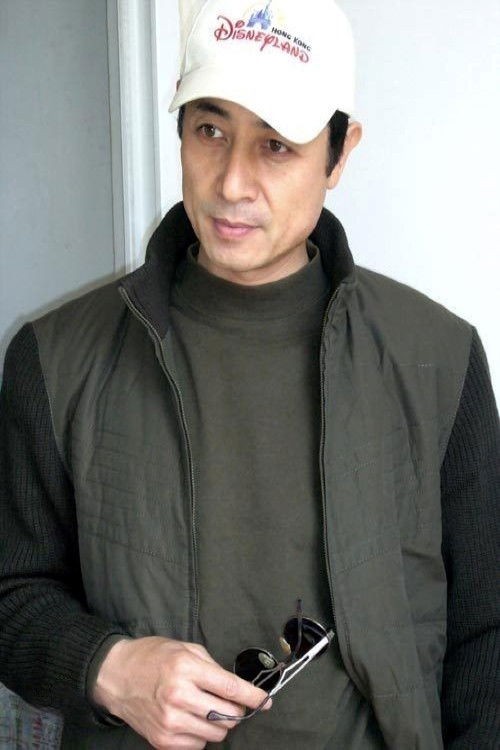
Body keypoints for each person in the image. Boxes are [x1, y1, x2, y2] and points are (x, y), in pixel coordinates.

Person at [0, 0, 498, 747]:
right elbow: (12, 592)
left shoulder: (439, 357)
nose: (232, 182)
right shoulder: (54, 357)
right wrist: (108, 667)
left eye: (275, 145)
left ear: (340, 153)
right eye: (210, 130)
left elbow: (488, 632)